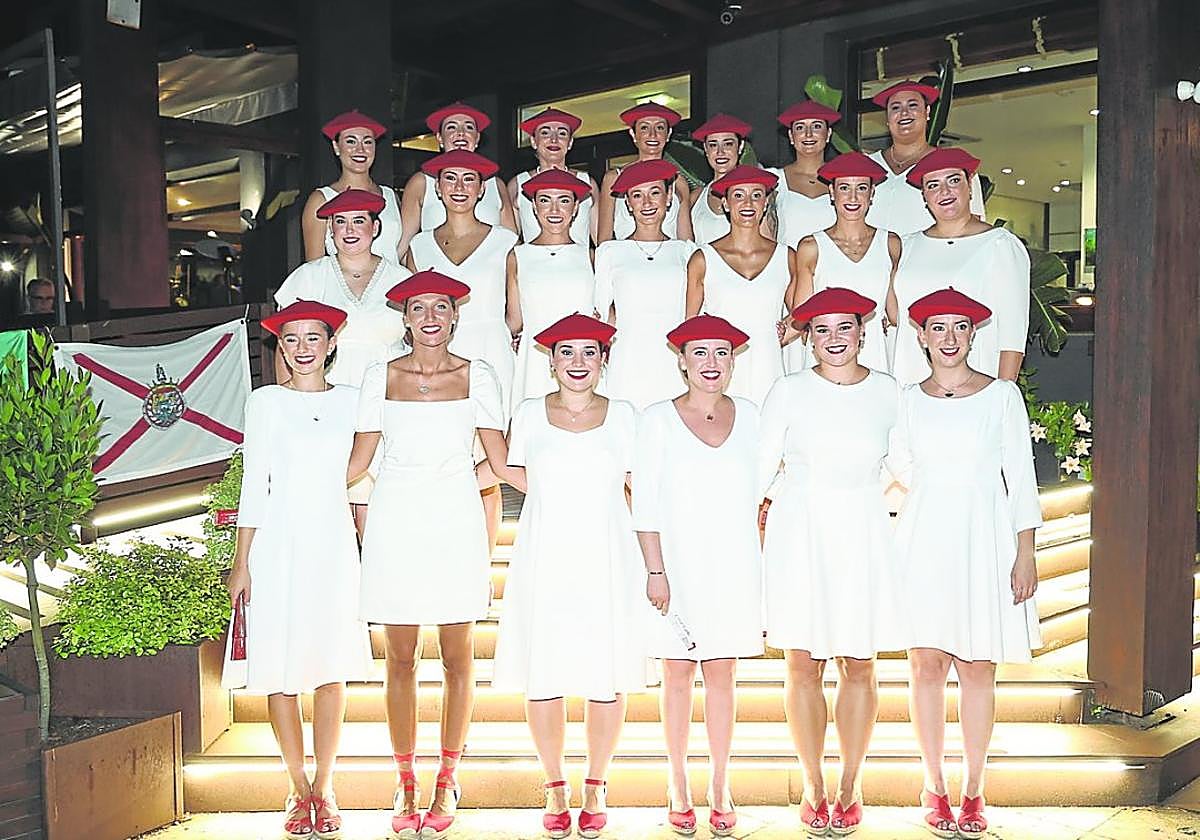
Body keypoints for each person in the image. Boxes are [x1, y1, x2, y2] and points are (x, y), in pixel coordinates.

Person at [348, 270, 517, 840]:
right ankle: (405, 779)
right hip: (396, 515)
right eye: (418, 308)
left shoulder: (480, 376)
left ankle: (447, 776)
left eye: (439, 308)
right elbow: (358, 462)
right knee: (398, 655)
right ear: (405, 317)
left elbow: (500, 461)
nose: (429, 318)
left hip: (454, 519)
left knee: (457, 653)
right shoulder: (380, 376)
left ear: (454, 316)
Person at [888, 287, 1042, 840]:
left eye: (959, 327)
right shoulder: (906, 399)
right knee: (925, 665)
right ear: (922, 336)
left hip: (986, 541)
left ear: (973, 334)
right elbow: (898, 465)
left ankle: (975, 788)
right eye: (937, 328)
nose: (948, 338)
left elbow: (1021, 477)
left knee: (978, 667)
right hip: (925, 539)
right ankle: (935, 787)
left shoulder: (1001, 397)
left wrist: (1025, 550)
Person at [492, 313, 648, 840]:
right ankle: (556, 783)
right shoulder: (530, 415)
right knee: (546, 673)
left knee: (606, 674)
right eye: (567, 352)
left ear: (604, 360)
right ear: (550, 361)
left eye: (589, 352)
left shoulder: (626, 416)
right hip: (546, 554)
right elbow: (512, 471)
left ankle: (597, 783)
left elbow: (639, 487)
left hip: (608, 554)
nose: (578, 363)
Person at [224, 300, 374, 840]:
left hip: (333, 545)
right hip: (277, 546)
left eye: (315, 338)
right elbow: (253, 485)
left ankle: (326, 786)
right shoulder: (265, 403)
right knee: (280, 671)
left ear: (331, 344)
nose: (304, 347)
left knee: (331, 668)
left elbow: (365, 474)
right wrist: (241, 562)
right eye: (293, 339)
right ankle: (296, 786)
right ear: (279, 347)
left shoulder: (356, 402)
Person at [759, 288, 900, 836]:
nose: (835, 338)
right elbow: (759, 466)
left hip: (863, 529)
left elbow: (908, 462)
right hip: (801, 530)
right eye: (822, 329)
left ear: (863, 332)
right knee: (802, 663)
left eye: (845, 327)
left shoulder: (888, 392)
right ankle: (813, 781)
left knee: (860, 663)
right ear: (808, 337)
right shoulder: (788, 390)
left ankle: (850, 782)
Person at [635, 314, 763, 838]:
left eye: (721, 353)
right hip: (677, 563)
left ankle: (719, 783)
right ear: (682, 361)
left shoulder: (753, 415)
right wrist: (656, 570)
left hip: (733, 562)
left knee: (723, 675)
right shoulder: (657, 419)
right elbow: (644, 501)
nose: (711, 364)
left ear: (733, 361)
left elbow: (768, 485)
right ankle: (679, 782)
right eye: (700, 353)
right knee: (678, 675)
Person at [406, 149, 519, 554]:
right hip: (440, 358)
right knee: (448, 456)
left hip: (491, 351)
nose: (459, 188)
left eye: (468, 180)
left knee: (488, 463)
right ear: (437, 188)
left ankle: (482, 565)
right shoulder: (419, 246)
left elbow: (516, 311)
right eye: (449, 179)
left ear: (481, 187)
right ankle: (443, 553)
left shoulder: (506, 241)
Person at [275, 189, 412, 519]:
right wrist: (292, 403)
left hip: (387, 397)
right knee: (330, 493)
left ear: (375, 228)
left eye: (359, 221)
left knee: (381, 496)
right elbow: (285, 346)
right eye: (340, 222)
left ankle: (379, 568)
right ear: (330, 230)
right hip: (328, 397)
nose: (350, 230)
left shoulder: (401, 279)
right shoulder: (308, 278)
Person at [891, 148, 1030, 386]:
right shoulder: (905, 245)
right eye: (933, 185)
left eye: (954, 181)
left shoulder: (1000, 245)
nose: (944, 191)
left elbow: (1012, 335)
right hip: (909, 383)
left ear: (970, 186)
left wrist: (1002, 396)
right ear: (924, 195)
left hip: (975, 386)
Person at [686, 165, 793, 406]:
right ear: (725, 203)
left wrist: (787, 329)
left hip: (769, 367)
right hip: (720, 370)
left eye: (756, 195)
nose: (748, 203)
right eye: (738, 195)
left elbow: (803, 315)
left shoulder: (786, 256)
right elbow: (690, 325)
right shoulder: (703, 258)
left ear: (765, 203)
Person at [593, 159, 695, 409]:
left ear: (669, 197)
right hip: (627, 365)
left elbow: (696, 315)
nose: (647, 203)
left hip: (674, 366)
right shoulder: (609, 252)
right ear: (627, 202)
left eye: (655, 193)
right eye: (637, 195)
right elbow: (601, 315)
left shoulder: (687, 252)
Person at [788, 151, 901, 373]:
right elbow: (800, 314)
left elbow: (895, 312)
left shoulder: (890, 243)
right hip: (828, 354)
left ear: (871, 193)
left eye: (861, 188)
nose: (853, 197)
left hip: (875, 356)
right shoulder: (811, 247)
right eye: (844, 188)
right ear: (831, 192)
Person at [506, 169, 596, 403]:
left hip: (581, 361)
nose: (554, 210)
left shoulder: (592, 257)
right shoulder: (518, 256)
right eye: (545, 200)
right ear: (534, 207)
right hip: (534, 360)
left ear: (576, 207)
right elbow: (515, 321)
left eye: (564, 201)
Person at [397, 101, 517, 259]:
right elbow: (405, 243)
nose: (461, 133)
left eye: (468, 127)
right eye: (451, 127)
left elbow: (512, 245)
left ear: (477, 137)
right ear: (439, 137)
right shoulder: (421, 182)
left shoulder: (496, 184)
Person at [864, 80, 985, 236]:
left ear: (927, 112)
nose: (904, 113)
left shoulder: (954, 168)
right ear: (887, 119)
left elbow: (972, 227)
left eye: (913, 105)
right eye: (895, 107)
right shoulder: (866, 167)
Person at [301, 110, 402, 262]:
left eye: (367, 142)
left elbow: (402, 253)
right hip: (344, 285)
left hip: (393, 283)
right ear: (336, 147)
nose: (360, 150)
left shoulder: (390, 196)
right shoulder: (321, 200)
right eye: (351, 141)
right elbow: (314, 266)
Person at [598, 103, 694, 242]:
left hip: (669, 259)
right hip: (626, 259)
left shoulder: (678, 182)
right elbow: (604, 239)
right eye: (644, 128)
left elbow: (686, 240)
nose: (653, 135)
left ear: (668, 134)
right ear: (633, 134)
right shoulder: (614, 178)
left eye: (660, 128)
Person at [508, 107, 597, 245]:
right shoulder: (518, 183)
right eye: (545, 133)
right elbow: (510, 241)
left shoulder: (587, 183)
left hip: (579, 263)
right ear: (533, 141)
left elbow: (600, 240)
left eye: (562, 133)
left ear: (570, 142)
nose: (554, 139)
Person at [767, 101, 839, 249]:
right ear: (791, 136)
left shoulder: (844, 180)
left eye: (817, 126)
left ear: (828, 134)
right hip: (789, 269)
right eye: (800, 128)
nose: (808, 134)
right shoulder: (773, 180)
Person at [688, 113, 754, 244]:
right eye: (713, 145)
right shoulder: (696, 197)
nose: (720, 152)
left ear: (740, 147)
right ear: (705, 149)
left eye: (728, 144)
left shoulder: (754, 194)